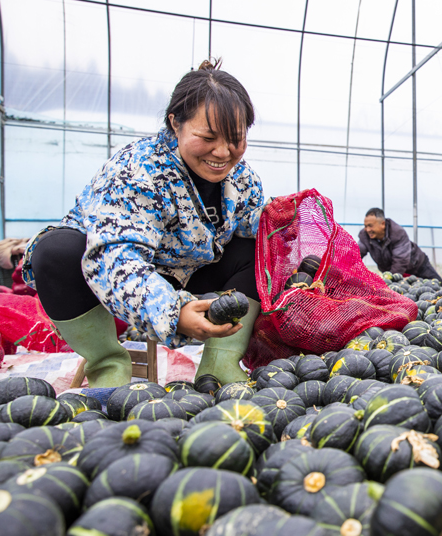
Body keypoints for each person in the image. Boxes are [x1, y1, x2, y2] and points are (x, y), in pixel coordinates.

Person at [21, 59, 264, 388]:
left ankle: (219, 362)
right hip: (110, 276)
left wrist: (291, 229)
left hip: (187, 272)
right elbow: (117, 257)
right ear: (175, 123)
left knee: (261, 247)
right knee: (56, 251)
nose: (222, 152)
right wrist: (172, 312)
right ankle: (107, 363)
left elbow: (253, 223)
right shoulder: (138, 170)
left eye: (235, 139)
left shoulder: (241, 176)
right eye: (207, 137)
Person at [358, 208, 442, 285]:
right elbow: (356, 253)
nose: (367, 229)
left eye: (370, 226)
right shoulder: (365, 236)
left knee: (438, 284)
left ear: (383, 224)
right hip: (393, 271)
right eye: (365, 226)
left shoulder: (397, 232)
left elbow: (400, 261)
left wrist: (389, 281)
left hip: (417, 265)